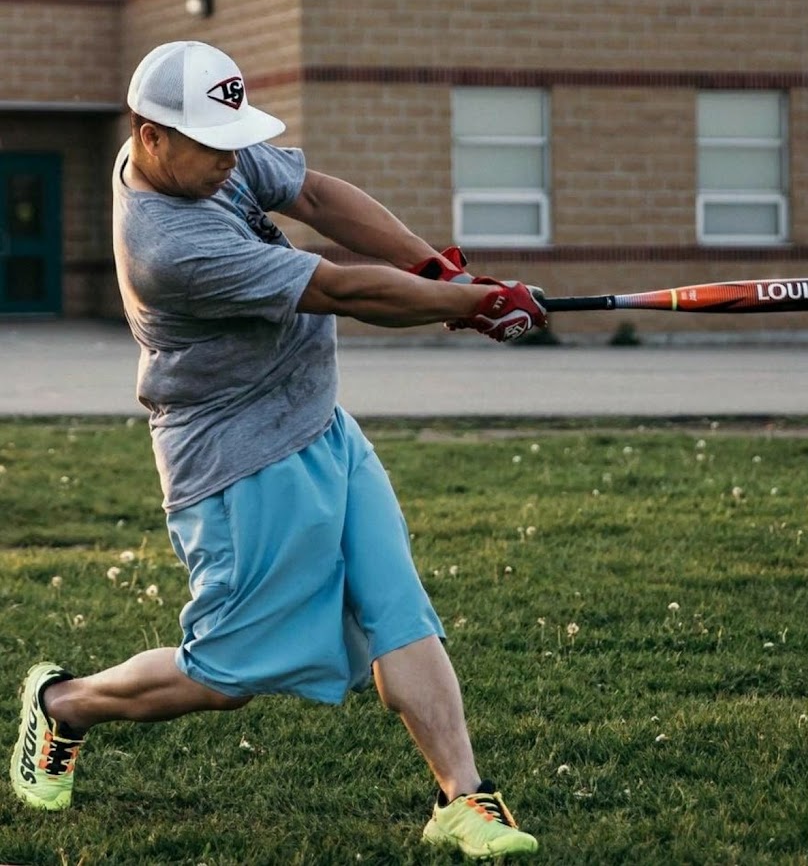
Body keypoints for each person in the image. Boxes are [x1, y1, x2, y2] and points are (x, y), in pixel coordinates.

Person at [10, 41, 545, 859]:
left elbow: (318, 194)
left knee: (400, 610)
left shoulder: (200, 154)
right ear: (150, 135)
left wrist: (431, 265)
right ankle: (64, 704)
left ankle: (465, 801)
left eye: (234, 141)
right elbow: (335, 287)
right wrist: (466, 305)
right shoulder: (168, 246)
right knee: (224, 675)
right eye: (212, 146)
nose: (234, 162)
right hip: (235, 462)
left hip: (320, 421)